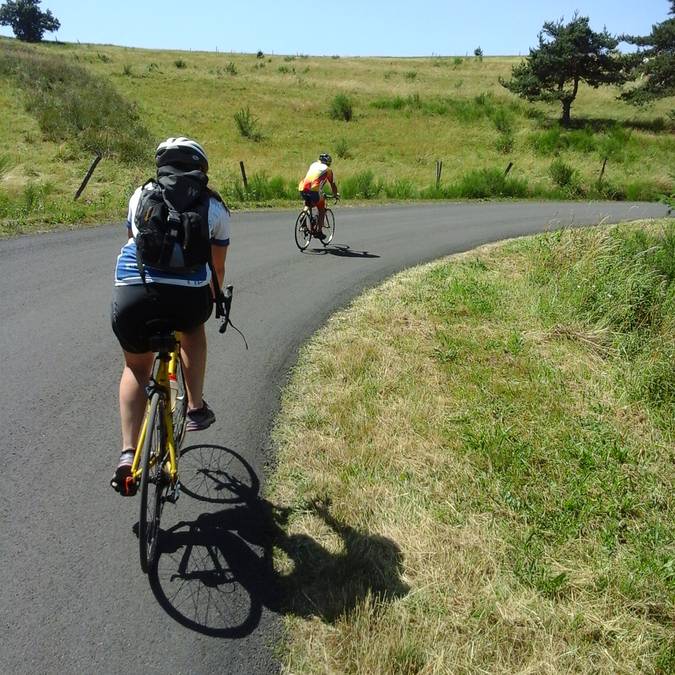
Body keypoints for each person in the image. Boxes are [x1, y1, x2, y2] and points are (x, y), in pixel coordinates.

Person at [110, 137, 230, 494]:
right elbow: (217, 270)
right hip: (187, 298)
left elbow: (135, 242)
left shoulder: (139, 196)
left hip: (134, 293)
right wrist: (213, 299)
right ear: (201, 169)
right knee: (193, 331)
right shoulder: (214, 207)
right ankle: (194, 408)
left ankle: (127, 455)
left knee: (135, 367)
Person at [298, 153, 339, 238]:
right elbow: (332, 184)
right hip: (314, 189)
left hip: (302, 187)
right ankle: (319, 232)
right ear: (328, 163)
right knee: (321, 209)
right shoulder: (328, 170)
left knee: (308, 203)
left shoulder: (313, 165)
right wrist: (335, 194)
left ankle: (303, 215)